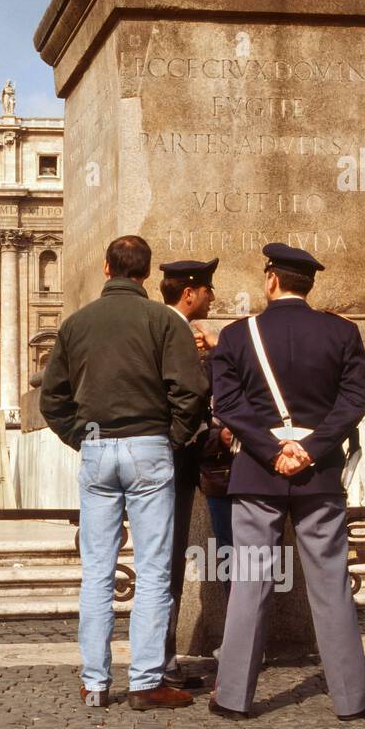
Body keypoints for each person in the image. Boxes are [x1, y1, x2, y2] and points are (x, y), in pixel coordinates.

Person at [40, 235, 206, 711]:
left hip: (96, 449)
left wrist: (79, 436)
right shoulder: (161, 319)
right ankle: (146, 681)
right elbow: (190, 390)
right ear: (147, 274)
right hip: (149, 446)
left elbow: (53, 398)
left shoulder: (76, 323)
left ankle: (94, 683)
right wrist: (170, 436)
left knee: (96, 572)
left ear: (105, 267)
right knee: (153, 570)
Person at [209, 243, 365, 720]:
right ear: (308, 284)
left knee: (249, 584)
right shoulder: (343, 331)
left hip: (258, 472)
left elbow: (228, 404)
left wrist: (271, 449)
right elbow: (355, 399)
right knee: (331, 585)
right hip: (318, 474)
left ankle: (236, 696)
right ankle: (351, 698)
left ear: (271, 280)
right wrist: (310, 449)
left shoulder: (238, 335)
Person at [157, 257, 226, 689]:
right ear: (189, 293)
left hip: (154, 454)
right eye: (207, 291)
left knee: (160, 559)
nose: (213, 298)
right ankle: (161, 663)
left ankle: (157, 659)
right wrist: (182, 438)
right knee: (166, 559)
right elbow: (191, 394)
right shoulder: (174, 329)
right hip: (174, 458)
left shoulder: (161, 326)